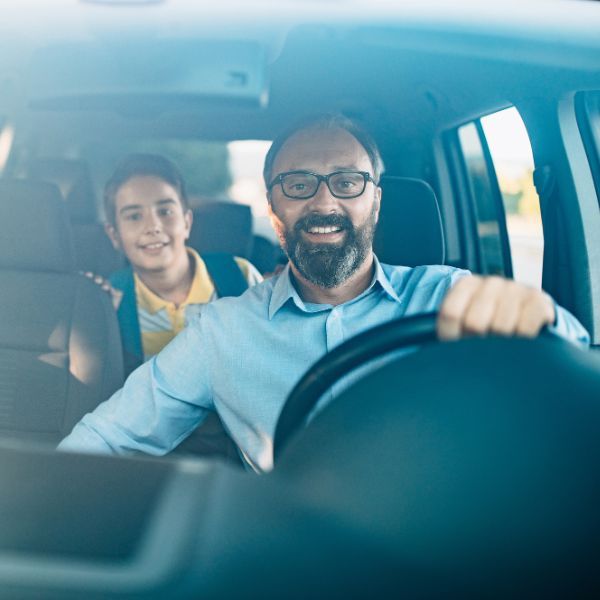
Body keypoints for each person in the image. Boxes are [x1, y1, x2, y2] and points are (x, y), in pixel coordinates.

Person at [59, 115, 589, 472]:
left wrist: (542, 322)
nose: (324, 201)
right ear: (274, 209)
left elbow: (572, 386)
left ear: (375, 202)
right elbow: (106, 438)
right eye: (298, 184)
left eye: (347, 182)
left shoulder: (448, 298)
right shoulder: (222, 330)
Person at [100, 154, 262, 374]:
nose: (153, 226)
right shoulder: (111, 299)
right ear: (114, 235)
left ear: (187, 222)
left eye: (165, 211)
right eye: (134, 216)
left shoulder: (240, 276)